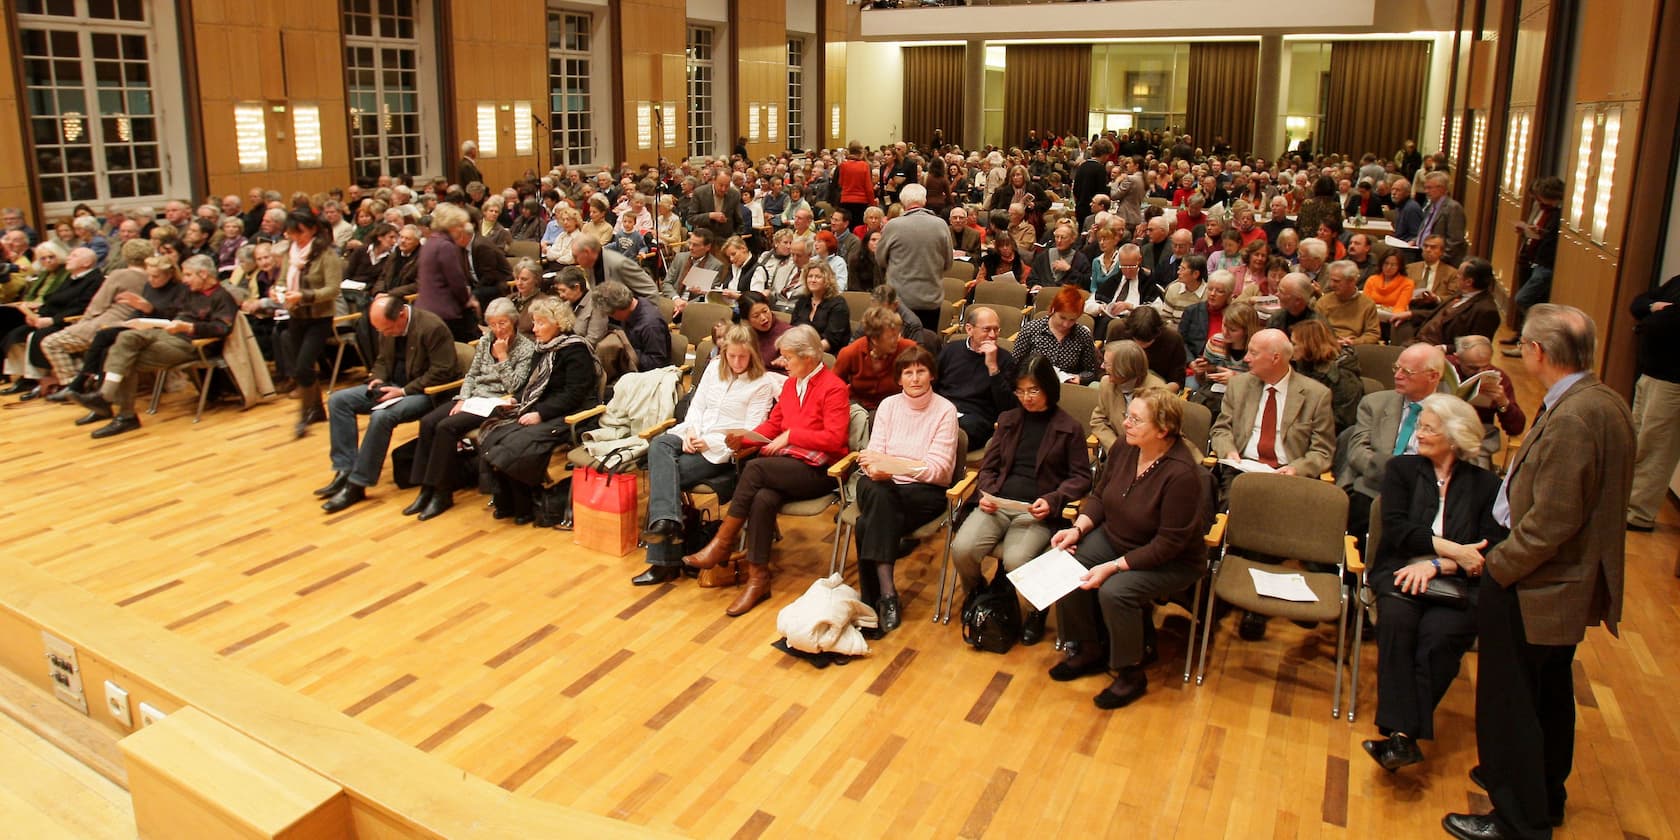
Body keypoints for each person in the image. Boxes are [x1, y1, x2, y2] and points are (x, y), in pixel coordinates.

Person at [1444, 304, 1634, 840]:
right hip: (1554, 579)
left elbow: (1552, 521)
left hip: (1535, 580)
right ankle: (1544, 793)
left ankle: (1516, 818)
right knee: (1547, 695)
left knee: (1514, 701)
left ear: (1538, 352)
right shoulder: (1602, 400)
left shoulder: (1574, 416)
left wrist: (1498, 564)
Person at [1361, 394, 1508, 772]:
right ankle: (1403, 737)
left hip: (1459, 582)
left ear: (1456, 436)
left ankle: (1401, 737)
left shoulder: (1487, 485)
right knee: (1397, 623)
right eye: (1421, 426)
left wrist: (1440, 564)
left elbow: (1489, 547)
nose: (1419, 434)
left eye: (1428, 428)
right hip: (1400, 568)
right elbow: (1398, 530)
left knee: (1440, 638)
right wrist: (1454, 552)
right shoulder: (1403, 471)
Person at [1048, 388, 1209, 709]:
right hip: (1118, 536)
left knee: (1115, 591)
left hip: (1169, 558)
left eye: (1136, 419)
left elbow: (1169, 544)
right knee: (1066, 564)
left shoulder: (1182, 475)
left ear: (1163, 430)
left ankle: (1130, 672)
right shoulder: (1125, 446)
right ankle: (1089, 648)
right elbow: (1100, 494)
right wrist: (1077, 528)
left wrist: (1113, 566)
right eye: (1127, 416)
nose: (1125, 424)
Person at [683, 325, 852, 617]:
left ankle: (722, 543)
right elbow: (773, 426)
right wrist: (743, 437)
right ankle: (758, 577)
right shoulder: (789, 384)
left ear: (809, 358)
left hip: (821, 470)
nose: (782, 363)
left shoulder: (833, 387)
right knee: (762, 497)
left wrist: (793, 435)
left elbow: (835, 440)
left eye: (788, 358)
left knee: (756, 469)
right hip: (787, 466)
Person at [949, 353, 1091, 642]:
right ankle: (978, 594)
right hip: (998, 504)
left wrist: (1053, 499)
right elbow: (988, 466)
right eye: (1020, 391)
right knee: (962, 548)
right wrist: (986, 492)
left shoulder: (1069, 428)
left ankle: (1035, 611)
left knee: (1016, 560)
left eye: (1033, 390)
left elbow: (1081, 477)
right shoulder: (1009, 420)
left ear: (1049, 388)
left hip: (1035, 510)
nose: (1026, 397)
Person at [633, 325, 779, 585]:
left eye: (742, 357)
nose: (736, 362)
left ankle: (663, 559)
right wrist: (690, 432)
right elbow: (697, 407)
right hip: (693, 436)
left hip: (722, 454)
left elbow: (751, 430)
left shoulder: (762, 383)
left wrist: (709, 443)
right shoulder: (713, 368)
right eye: (731, 356)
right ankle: (668, 522)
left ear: (753, 355)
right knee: (658, 445)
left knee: (665, 474)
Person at [316, 296, 462, 512]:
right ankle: (345, 469)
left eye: (387, 329)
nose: (384, 334)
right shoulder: (388, 326)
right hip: (392, 386)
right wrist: (377, 377)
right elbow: (382, 360)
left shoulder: (432, 327)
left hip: (423, 392)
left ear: (402, 314)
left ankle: (358, 484)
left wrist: (402, 391)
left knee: (382, 417)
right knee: (338, 400)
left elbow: (442, 371)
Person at [850, 346, 960, 633]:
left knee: (865, 524)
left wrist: (895, 466)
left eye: (921, 371)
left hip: (922, 491)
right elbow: (873, 456)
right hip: (880, 484)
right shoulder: (887, 406)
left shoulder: (945, 411)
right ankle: (887, 594)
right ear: (899, 379)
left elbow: (938, 471)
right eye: (908, 373)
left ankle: (871, 599)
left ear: (932, 375)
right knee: (879, 493)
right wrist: (880, 467)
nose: (915, 378)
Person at [71, 255, 237, 438]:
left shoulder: (222, 297)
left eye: (189, 275)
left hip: (190, 344)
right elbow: (170, 313)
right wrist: (148, 315)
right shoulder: (189, 292)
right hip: (166, 333)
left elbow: (223, 328)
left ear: (204, 274)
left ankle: (117, 410)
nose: (185, 279)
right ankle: (107, 401)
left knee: (124, 357)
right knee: (125, 339)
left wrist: (189, 327)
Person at [402, 299, 535, 521]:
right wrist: (463, 398)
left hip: (498, 403)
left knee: (446, 428)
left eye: (502, 323)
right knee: (427, 422)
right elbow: (471, 375)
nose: (498, 329)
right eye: (492, 324)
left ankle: (442, 493)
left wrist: (502, 358)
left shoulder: (526, 348)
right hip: (473, 399)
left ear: (513, 321)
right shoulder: (485, 342)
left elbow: (517, 386)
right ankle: (426, 488)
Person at [478, 297, 601, 527]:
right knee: (495, 432)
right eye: (534, 323)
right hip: (544, 408)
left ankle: (524, 506)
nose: (534, 329)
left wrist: (540, 413)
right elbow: (531, 383)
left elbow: (574, 394)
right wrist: (519, 399)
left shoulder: (575, 349)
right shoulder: (542, 348)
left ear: (558, 323)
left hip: (572, 414)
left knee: (520, 442)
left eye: (540, 323)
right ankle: (507, 501)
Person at [1338, 342, 1450, 545]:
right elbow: (1357, 453)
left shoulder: (1451, 414)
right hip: (1372, 485)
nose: (1397, 376)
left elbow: (1450, 466)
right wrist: (1398, 475)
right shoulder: (1374, 403)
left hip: (1423, 493)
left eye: (1407, 372)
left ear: (1433, 376)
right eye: (1395, 368)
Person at [277, 211, 344, 438]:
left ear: (312, 229)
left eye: (300, 232)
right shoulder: (291, 252)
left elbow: (333, 289)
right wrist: (277, 290)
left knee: (304, 366)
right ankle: (317, 410)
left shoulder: (327, 254)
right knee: (300, 366)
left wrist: (304, 295)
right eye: (292, 232)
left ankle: (304, 415)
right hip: (296, 315)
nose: (295, 237)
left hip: (319, 317)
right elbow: (281, 279)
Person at [1626, 274, 1680, 532]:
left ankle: (1639, 514)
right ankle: (1626, 503)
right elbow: (1637, 303)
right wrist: (1652, 309)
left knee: (1655, 445)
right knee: (1637, 439)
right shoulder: (1678, 281)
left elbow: (1666, 324)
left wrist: (1649, 315)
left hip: (1672, 381)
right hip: (1650, 373)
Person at [935, 304, 1016, 451]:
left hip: (977, 419)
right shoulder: (951, 350)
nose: (992, 335)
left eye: (996, 329)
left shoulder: (1005, 359)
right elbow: (933, 384)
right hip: (944, 410)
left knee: (956, 431)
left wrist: (993, 367)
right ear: (969, 329)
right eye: (987, 329)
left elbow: (1008, 405)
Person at [875, 183, 953, 331]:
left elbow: (880, 260)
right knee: (925, 345)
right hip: (931, 299)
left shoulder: (893, 226)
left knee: (898, 347)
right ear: (924, 201)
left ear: (903, 202)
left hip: (899, 299)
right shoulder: (941, 225)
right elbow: (948, 263)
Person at [1011, 285, 1100, 385]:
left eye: (1072, 320)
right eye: (1062, 317)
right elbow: (1015, 364)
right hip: (1035, 384)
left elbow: (1091, 371)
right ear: (1053, 310)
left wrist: (1080, 378)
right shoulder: (1031, 329)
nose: (1066, 324)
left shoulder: (1082, 335)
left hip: (1067, 387)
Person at [834, 304, 916, 412]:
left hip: (896, 409)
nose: (897, 340)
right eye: (891, 337)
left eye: (898, 334)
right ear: (874, 339)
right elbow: (832, 386)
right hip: (859, 409)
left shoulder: (908, 349)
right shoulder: (850, 353)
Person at [1090, 339, 1168, 452]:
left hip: (1150, 452)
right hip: (1118, 451)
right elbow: (1098, 420)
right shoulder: (1106, 383)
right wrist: (1115, 447)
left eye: (1107, 364)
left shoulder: (1158, 392)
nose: (1102, 366)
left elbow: (1163, 434)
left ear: (1124, 368)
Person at [414, 204, 477, 342]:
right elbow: (456, 282)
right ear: (451, 226)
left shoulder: (430, 242)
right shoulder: (445, 246)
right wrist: (468, 300)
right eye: (460, 225)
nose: (462, 229)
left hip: (424, 309)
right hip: (444, 313)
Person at [1290, 319, 1363, 434]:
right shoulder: (1301, 367)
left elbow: (1342, 423)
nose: (1289, 348)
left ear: (1309, 345)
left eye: (1294, 344)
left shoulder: (1343, 379)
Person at [1412, 257, 1502, 350]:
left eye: (1459, 274)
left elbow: (1477, 347)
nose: (1456, 276)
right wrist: (1410, 314)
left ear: (1468, 282)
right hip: (1418, 338)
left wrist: (1445, 348)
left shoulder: (1486, 311)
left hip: (1434, 351)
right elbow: (1438, 314)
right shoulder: (1462, 292)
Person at [593, 279, 668, 384]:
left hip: (648, 379)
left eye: (610, 315)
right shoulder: (634, 305)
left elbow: (657, 363)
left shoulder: (650, 325)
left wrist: (626, 349)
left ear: (618, 310)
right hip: (630, 371)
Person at [1315, 260, 1381, 346]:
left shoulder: (1367, 304)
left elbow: (1373, 334)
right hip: (1328, 346)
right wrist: (1333, 342)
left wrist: (1354, 342)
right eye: (1331, 280)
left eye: (1337, 281)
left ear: (1352, 281)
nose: (1332, 285)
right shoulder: (1323, 302)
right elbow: (1315, 330)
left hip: (1356, 347)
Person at [789, 261, 850, 354]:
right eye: (810, 276)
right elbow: (793, 328)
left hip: (827, 354)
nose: (813, 280)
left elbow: (831, 340)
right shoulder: (802, 300)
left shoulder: (838, 304)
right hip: (801, 351)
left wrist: (807, 353)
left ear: (827, 280)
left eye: (818, 277)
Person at [1414, 171, 1468, 267]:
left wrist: (1439, 258)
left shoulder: (1453, 208)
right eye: (1425, 188)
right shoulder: (1431, 205)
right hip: (1422, 252)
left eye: (1429, 188)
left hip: (1441, 261)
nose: (1426, 191)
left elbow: (1455, 241)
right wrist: (1416, 240)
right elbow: (1427, 229)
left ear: (1442, 188)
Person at [1180, 271, 1233, 359]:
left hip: (1221, 365)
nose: (1212, 294)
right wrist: (1191, 362)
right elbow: (1180, 341)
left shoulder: (1235, 316)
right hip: (1192, 362)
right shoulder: (1192, 311)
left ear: (1229, 294)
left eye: (1219, 291)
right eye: (1210, 289)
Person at [737, 290, 791, 368]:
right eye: (756, 316)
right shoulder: (744, 334)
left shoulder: (787, 333)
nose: (763, 318)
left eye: (765, 311)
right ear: (747, 320)